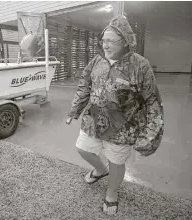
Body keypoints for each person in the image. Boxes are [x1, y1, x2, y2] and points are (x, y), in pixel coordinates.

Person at [66, 16, 164, 215]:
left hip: (123, 127)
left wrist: (151, 133)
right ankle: (101, 170)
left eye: (110, 40)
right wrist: (75, 109)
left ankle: (112, 193)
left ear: (125, 41)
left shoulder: (140, 65)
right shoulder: (97, 60)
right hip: (93, 120)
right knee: (82, 148)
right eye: (103, 40)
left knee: (117, 162)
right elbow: (85, 85)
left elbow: (152, 100)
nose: (105, 44)